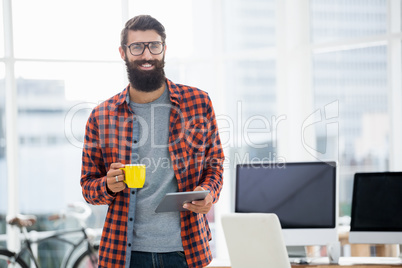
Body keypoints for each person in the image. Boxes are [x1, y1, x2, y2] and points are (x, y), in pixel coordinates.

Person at [80, 15, 224, 268]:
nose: (146, 55)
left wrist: (210, 193)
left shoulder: (198, 102)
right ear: (123, 53)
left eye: (153, 46)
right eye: (136, 47)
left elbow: (215, 164)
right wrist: (108, 185)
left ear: (164, 49)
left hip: (186, 250)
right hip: (124, 255)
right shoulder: (101, 116)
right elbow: (88, 188)